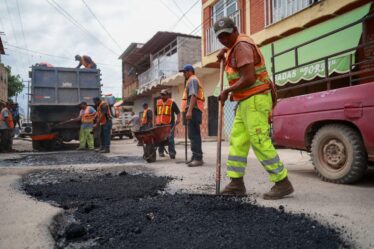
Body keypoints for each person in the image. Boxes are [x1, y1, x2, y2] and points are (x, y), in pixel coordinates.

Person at [214, 17, 294, 199]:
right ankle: (236, 183)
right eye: (220, 37)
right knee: (238, 140)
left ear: (235, 30)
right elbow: (231, 50)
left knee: (259, 140)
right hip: (245, 101)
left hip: (256, 99)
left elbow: (249, 78)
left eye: (226, 35)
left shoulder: (241, 47)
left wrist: (227, 90)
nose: (224, 39)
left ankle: (282, 182)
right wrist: (224, 51)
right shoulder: (233, 46)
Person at [180, 64, 205, 167]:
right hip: (194, 110)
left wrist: (189, 111)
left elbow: (193, 95)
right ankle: (195, 157)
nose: (183, 74)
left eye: (184, 72)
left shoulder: (192, 80)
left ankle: (198, 158)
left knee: (193, 135)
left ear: (190, 71)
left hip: (194, 110)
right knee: (194, 135)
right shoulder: (192, 80)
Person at [155, 89, 181, 159]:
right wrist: (156, 122)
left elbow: (178, 112)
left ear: (167, 95)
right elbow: (156, 113)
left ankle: (172, 153)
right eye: (161, 94)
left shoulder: (172, 102)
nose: (162, 96)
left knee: (170, 138)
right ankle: (161, 152)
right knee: (160, 138)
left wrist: (178, 119)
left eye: (163, 94)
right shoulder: (158, 102)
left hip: (169, 124)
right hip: (160, 124)